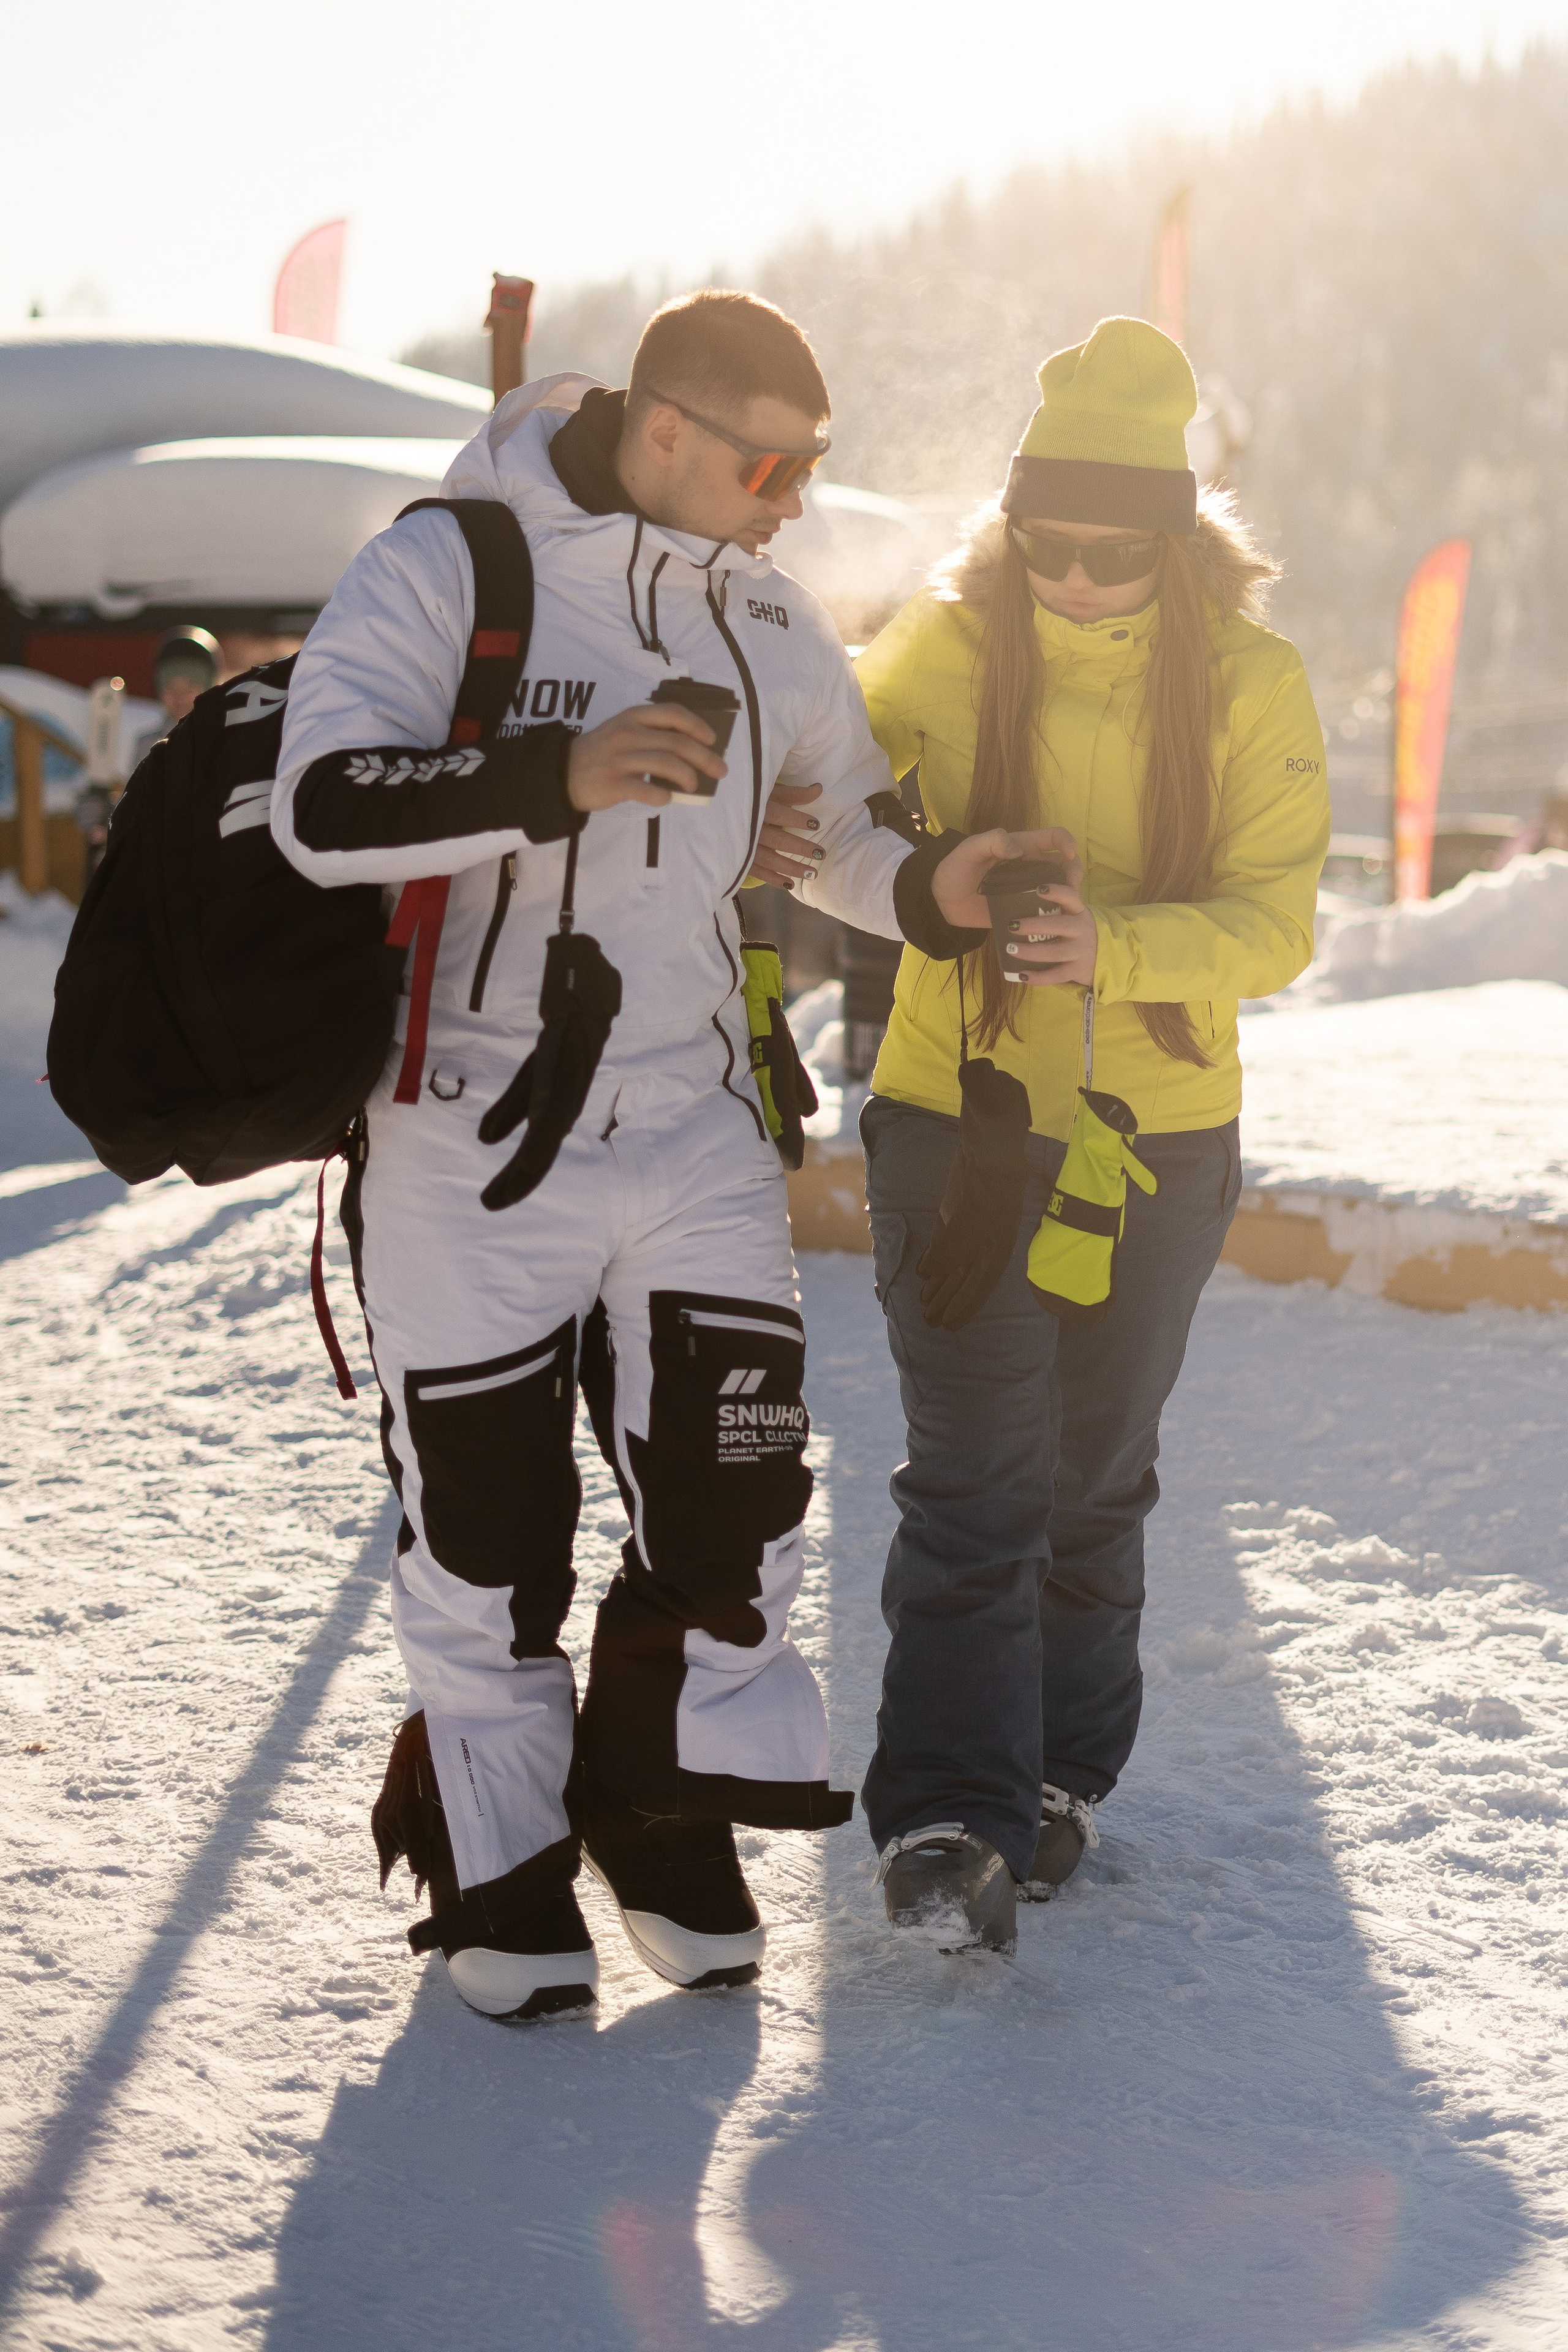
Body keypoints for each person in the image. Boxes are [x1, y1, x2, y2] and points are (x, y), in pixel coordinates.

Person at [272, 292, 951, 2021]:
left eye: (813, 467)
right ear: (662, 430)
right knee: (490, 1533)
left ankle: (648, 1796)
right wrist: (550, 775)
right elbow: (322, 801)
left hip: (698, 1125)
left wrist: (944, 892)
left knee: (736, 1501)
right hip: (465, 1133)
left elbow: (847, 832)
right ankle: (496, 1856)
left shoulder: (774, 617)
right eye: (767, 462)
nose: (793, 497)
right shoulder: (453, 567)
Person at [753, 318, 1330, 1951]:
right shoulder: (941, 650)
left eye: (1110, 551)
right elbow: (827, 816)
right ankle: (946, 1817)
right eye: (1042, 544)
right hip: (962, 1119)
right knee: (973, 1475)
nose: (1072, 579)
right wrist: (806, 837)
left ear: (1175, 535)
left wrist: (1120, 948)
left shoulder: (1253, 681)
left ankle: (1063, 1775)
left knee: (1095, 1474)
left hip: (1159, 1128)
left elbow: (1279, 922)